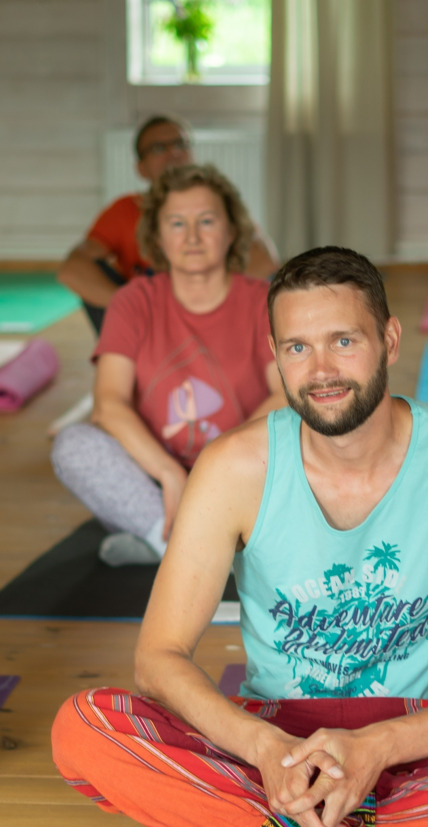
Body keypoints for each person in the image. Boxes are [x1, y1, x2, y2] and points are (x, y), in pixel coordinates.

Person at [51, 247, 428, 827]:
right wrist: (263, 748)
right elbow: (158, 659)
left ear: (389, 339)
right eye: (298, 348)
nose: (322, 371)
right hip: (274, 743)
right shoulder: (232, 468)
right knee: (83, 726)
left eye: (343, 341)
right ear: (274, 354)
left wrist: (380, 746)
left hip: (421, 741)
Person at [51, 163, 287, 567]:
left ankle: (164, 549)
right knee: (74, 447)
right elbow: (109, 404)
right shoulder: (132, 301)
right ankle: (205, 553)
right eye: (176, 223)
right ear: (157, 237)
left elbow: (285, 397)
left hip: (241, 471)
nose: (192, 236)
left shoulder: (262, 301)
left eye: (206, 221)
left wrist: (215, 465)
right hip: (157, 484)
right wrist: (169, 473)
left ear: (231, 231)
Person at [56, 115, 279, 333]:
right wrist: (136, 305)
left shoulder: (217, 201)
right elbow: (72, 270)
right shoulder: (125, 210)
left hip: (212, 324)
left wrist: (200, 306)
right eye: (158, 148)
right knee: (96, 275)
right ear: (141, 168)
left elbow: (263, 261)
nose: (174, 153)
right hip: (148, 325)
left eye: (180, 144)